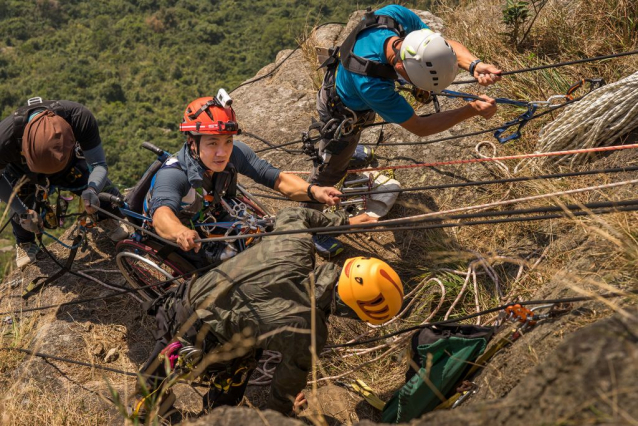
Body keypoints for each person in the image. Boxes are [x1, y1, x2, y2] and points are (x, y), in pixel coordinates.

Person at [132, 206, 403, 420]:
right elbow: (284, 389)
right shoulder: (309, 333)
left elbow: (294, 214)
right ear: (352, 310)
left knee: (165, 358)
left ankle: (145, 402)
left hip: (183, 300)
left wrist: (342, 221)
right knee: (241, 363)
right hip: (208, 339)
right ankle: (219, 411)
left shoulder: (295, 245)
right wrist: (283, 411)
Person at [304, 4, 502, 256]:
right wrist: (470, 110)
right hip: (341, 113)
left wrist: (474, 65)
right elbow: (419, 126)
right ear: (400, 69)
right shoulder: (372, 85)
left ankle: (348, 156)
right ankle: (312, 227)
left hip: (348, 95)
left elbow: (442, 44)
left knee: (351, 143)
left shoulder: (394, 17)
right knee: (328, 172)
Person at [144, 93, 369, 265]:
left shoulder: (234, 154)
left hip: (209, 211)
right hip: (183, 227)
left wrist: (314, 192)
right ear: (193, 142)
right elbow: (162, 215)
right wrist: (181, 232)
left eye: (227, 141)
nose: (222, 152)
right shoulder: (174, 174)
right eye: (212, 143)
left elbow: (276, 179)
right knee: (233, 262)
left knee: (262, 238)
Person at [0, 99, 125, 269]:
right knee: (21, 209)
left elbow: (98, 165)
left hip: (69, 162)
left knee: (107, 196)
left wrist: (92, 189)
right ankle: (25, 242)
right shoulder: (4, 139)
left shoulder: (79, 118)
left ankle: (106, 217)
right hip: (22, 172)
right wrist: (23, 212)